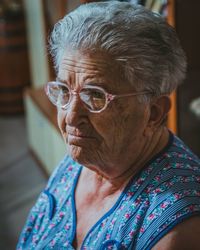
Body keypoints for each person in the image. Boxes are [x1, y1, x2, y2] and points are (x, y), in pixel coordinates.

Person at [17, 1, 200, 249]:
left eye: (95, 96)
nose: (70, 118)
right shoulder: (92, 154)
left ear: (153, 113)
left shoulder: (178, 229)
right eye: (63, 91)